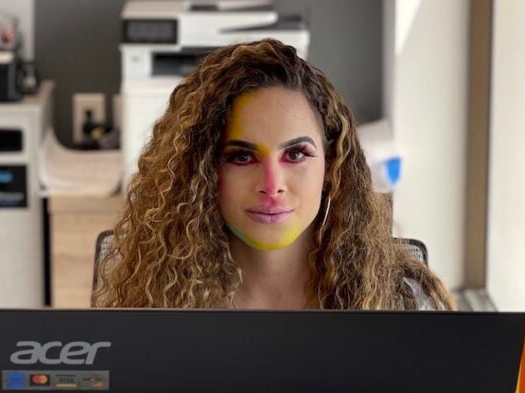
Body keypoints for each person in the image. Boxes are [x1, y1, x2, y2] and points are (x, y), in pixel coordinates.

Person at [94, 38, 453, 310]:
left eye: (296, 154)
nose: (272, 185)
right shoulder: (152, 300)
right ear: (201, 173)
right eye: (241, 156)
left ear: (332, 167)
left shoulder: (400, 300)